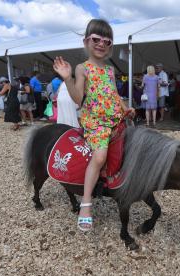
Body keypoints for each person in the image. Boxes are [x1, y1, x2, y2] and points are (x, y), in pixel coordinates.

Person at [53, 19, 135, 231]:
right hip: (96, 122)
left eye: (107, 41)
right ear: (86, 41)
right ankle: (86, 203)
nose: (101, 44)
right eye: (96, 39)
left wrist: (125, 107)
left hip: (115, 118)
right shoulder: (83, 68)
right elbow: (78, 98)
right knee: (99, 157)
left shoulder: (109, 70)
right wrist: (68, 78)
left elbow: (114, 94)